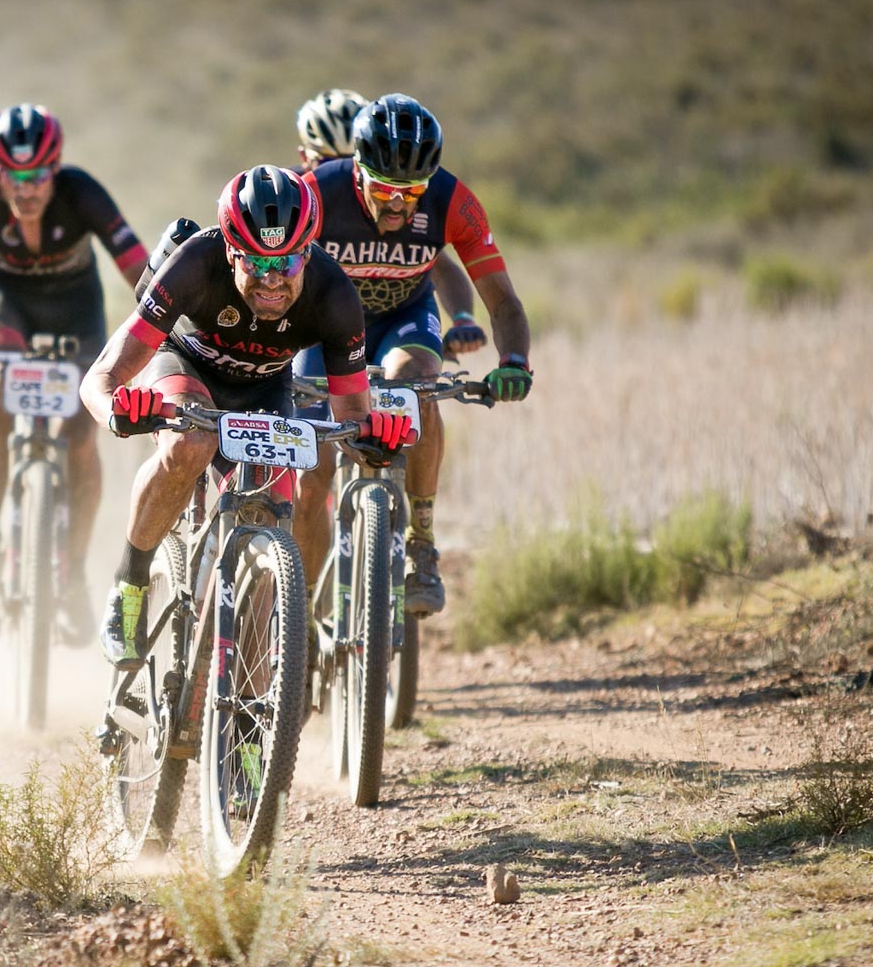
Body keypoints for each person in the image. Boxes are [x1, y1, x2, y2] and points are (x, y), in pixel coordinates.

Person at [79, 165, 416, 668]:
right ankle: (128, 590)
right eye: (257, 263)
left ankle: (252, 723)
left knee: (274, 507)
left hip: (264, 386)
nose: (274, 279)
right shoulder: (194, 264)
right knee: (187, 446)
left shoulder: (334, 294)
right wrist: (119, 411)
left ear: (309, 251)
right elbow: (99, 379)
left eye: (289, 260)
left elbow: (350, 414)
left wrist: (372, 436)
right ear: (231, 250)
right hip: (185, 366)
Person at [0, 104, 149, 637]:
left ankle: (76, 574)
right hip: (3, 302)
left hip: (74, 305)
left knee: (86, 427)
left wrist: (168, 321)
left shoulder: (83, 193)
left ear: (55, 169)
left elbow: (140, 270)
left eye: (37, 175)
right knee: (0, 385)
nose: (26, 188)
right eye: (13, 176)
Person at [291, 94, 533, 616]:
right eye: (384, 190)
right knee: (311, 476)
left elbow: (504, 301)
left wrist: (513, 361)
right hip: (325, 331)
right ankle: (301, 617)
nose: (399, 204)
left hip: (403, 317)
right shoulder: (315, 193)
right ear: (357, 171)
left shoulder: (452, 201)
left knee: (416, 387)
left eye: (412, 192)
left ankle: (421, 546)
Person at [295, 88, 486, 359]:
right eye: (326, 161)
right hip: (323, 322)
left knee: (414, 382)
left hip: (396, 322)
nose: (341, 170)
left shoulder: (394, 200)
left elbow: (439, 267)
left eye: (351, 157)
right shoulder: (299, 195)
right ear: (305, 159)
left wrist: (463, 319)